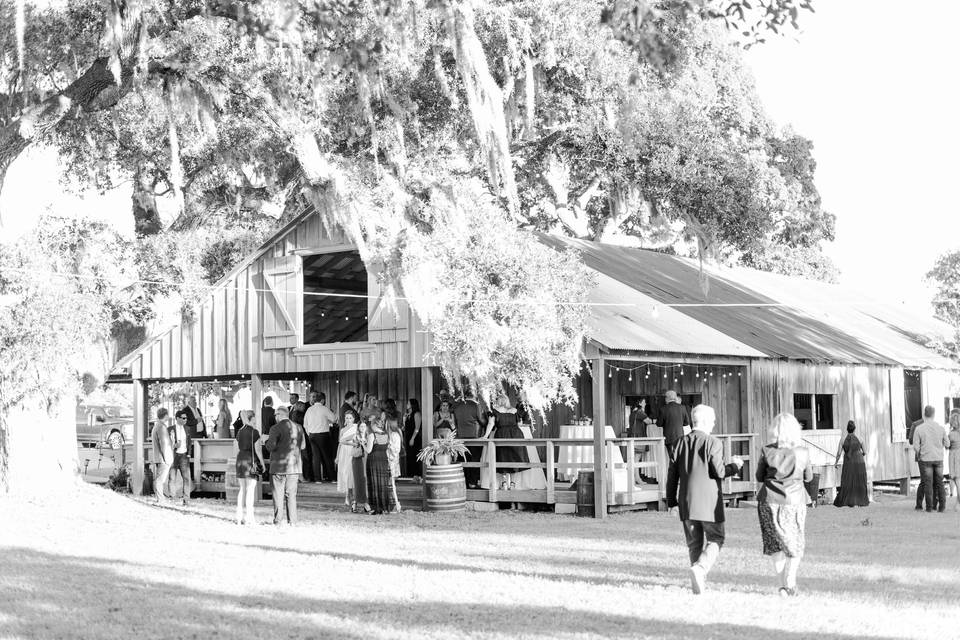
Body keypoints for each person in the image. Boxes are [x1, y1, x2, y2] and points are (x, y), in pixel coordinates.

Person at [665, 404, 743, 594]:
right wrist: (736, 465)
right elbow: (720, 471)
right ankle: (700, 569)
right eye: (714, 421)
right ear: (707, 422)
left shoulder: (679, 443)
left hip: (686, 501)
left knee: (694, 543)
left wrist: (672, 502)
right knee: (716, 538)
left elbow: (672, 476)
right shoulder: (713, 443)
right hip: (709, 502)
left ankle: (698, 579)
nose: (714, 424)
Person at [756, 413, 814, 597]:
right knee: (795, 541)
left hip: (769, 501)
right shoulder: (802, 452)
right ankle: (791, 580)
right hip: (794, 501)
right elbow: (809, 477)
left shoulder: (767, 451)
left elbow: (759, 477)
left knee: (775, 544)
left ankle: (782, 585)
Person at [481, 389, 529, 494]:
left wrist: (485, 436)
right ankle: (512, 483)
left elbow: (490, 424)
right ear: (507, 401)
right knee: (513, 458)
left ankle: (504, 482)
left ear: (499, 401)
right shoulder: (514, 411)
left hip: (502, 434)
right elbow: (519, 423)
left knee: (502, 457)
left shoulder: (495, 411)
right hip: (516, 435)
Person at [264, 406, 305, 525]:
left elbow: (270, 446)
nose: (275, 417)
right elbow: (302, 446)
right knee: (291, 495)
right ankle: (292, 521)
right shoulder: (298, 427)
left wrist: (265, 441)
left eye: (276, 415)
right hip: (294, 466)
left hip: (279, 466)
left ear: (279, 415)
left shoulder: (275, 428)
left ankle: (278, 520)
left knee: (278, 495)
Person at [913, 405, 950, 513]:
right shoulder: (941, 428)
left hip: (926, 459)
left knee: (928, 483)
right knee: (940, 483)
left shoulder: (919, 429)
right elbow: (947, 443)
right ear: (934, 415)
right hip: (938, 458)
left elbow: (916, 447)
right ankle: (942, 507)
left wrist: (919, 453)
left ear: (924, 414)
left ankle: (929, 507)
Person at [235, 409, 264, 525]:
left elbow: (237, 447)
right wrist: (262, 463)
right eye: (255, 418)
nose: (256, 421)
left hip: (240, 460)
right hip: (250, 461)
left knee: (242, 489)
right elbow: (258, 450)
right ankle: (249, 518)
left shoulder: (240, 432)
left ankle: (239, 516)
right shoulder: (254, 432)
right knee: (250, 490)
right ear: (251, 418)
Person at [453, 389, 485, 489]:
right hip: (474, 437)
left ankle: (464, 482)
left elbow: (455, 423)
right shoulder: (476, 406)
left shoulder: (457, 406)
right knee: (474, 460)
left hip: (461, 437)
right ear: (474, 395)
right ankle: (472, 482)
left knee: (463, 460)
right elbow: (482, 421)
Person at [833, 420, 869, 508]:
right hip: (859, 462)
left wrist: (836, 463)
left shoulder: (842, 440)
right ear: (854, 429)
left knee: (848, 480)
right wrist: (860, 455)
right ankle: (860, 500)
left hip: (848, 462)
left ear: (847, 429)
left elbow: (838, 453)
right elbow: (865, 451)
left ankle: (850, 501)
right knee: (860, 480)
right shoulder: (860, 438)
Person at [364, 415, 396, 514]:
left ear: (374, 424)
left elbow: (368, 450)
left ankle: (375, 507)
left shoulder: (372, 435)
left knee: (374, 483)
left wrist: (362, 444)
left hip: (373, 460)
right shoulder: (386, 434)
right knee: (383, 484)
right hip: (383, 460)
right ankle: (384, 506)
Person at [304, 391, 338, 483]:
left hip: (312, 435)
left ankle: (317, 479)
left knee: (316, 457)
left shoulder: (309, 410)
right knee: (327, 457)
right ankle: (332, 478)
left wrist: (309, 433)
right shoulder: (324, 409)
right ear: (322, 400)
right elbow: (334, 419)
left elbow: (305, 424)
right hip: (323, 435)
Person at [336, 408, 361, 509]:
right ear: (345, 419)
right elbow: (340, 444)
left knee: (351, 473)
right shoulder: (342, 430)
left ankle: (354, 496)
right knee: (344, 473)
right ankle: (347, 495)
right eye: (347, 418)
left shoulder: (357, 428)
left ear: (353, 419)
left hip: (352, 451)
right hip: (343, 453)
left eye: (350, 418)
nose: (348, 419)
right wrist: (337, 456)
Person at [168, 410, 193, 506]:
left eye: (186, 418)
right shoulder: (170, 429)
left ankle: (186, 500)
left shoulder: (187, 428)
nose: (185, 419)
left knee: (186, 478)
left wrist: (189, 454)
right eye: (183, 418)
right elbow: (166, 443)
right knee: (172, 478)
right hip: (173, 456)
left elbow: (189, 442)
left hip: (184, 456)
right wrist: (174, 445)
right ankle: (172, 498)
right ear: (177, 418)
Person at [151, 408, 174, 505]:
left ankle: (159, 498)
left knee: (159, 478)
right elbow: (164, 444)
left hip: (158, 457)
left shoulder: (157, 426)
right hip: (163, 458)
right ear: (165, 415)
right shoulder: (162, 427)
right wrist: (167, 458)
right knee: (160, 479)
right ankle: (160, 499)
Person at [660, 390, 691, 460]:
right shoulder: (682, 407)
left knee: (672, 458)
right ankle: (680, 471)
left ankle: (674, 470)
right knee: (680, 457)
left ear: (667, 398)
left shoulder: (663, 409)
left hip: (669, 438)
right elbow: (687, 423)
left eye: (665, 398)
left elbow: (659, 424)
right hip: (680, 436)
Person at [291, 400, 314, 482]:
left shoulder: (293, 413)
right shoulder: (299, 414)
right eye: (303, 407)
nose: (304, 408)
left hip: (297, 435)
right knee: (304, 457)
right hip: (301, 435)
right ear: (299, 406)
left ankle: (301, 476)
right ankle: (305, 476)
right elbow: (304, 423)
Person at [385, 416, 404, 512]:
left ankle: (396, 503)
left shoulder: (395, 435)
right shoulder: (386, 435)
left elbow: (397, 450)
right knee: (388, 484)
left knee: (391, 484)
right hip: (387, 460)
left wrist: (389, 444)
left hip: (392, 461)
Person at [908, 416, 927, 510]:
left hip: (921, 455)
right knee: (935, 480)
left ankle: (919, 505)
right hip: (935, 455)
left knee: (923, 480)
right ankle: (934, 505)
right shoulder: (935, 425)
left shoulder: (915, 424)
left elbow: (911, 441)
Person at [404, 398, 423, 478]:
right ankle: (410, 475)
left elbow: (417, 428)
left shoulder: (417, 414)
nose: (407, 405)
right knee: (409, 457)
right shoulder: (408, 414)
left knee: (414, 456)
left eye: (408, 403)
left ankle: (416, 475)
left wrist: (412, 438)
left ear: (412, 405)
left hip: (414, 438)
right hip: (408, 437)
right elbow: (405, 427)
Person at [948, 410, 960, 511]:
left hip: (954, 456)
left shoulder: (951, 434)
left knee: (957, 480)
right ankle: (957, 503)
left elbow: (948, 446)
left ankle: (958, 504)